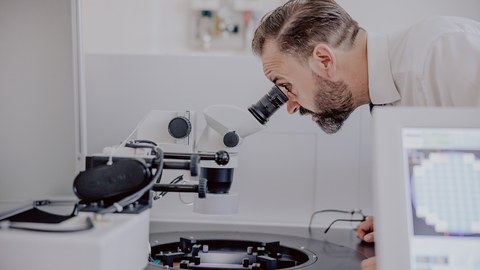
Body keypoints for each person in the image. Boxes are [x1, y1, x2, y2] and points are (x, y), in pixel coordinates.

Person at [251, 0, 480, 269]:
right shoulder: (387, 97)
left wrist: (416, 261)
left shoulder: (446, 50)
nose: (290, 106)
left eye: (286, 86)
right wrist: (409, 224)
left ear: (324, 60)